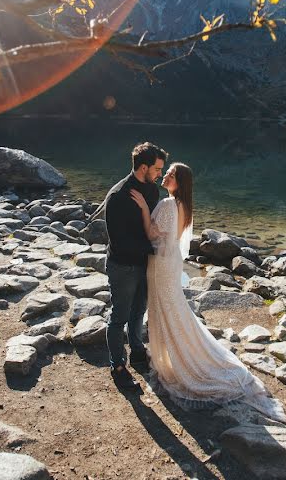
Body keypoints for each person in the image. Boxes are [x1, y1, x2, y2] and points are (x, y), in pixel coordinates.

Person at [129, 163, 286, 422]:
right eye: (166, 172)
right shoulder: (183, 206)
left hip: (160, 266)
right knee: (173, 309)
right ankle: (177, 357)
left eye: (171, 174)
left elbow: (152, 233)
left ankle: (180, 364)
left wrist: (144, 208)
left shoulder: (169, 205)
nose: (166, 175)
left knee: (166, 310)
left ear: (179, 182)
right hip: (168, 266)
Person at [104, 142, 167, 391]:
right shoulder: (118, 195)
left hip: (145, 264)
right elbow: (119, 242)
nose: (160, 174)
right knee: (119, 317)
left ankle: (138, 352)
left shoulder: (151, 191)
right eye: (157, 169)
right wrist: (151, 248)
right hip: (123, 266)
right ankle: (117, 366)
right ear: (143, 167)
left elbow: (151, 227)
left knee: (138, 311)